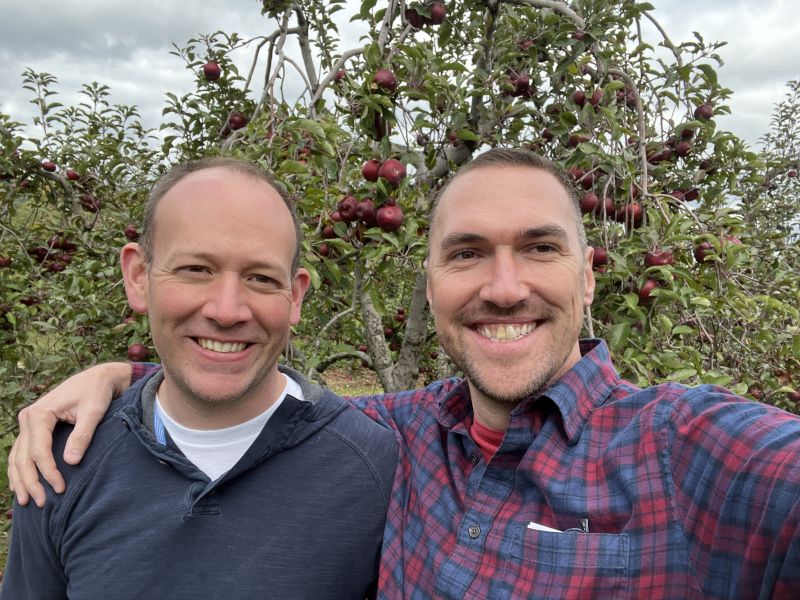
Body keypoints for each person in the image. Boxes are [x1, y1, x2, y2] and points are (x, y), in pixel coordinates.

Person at [9, 149, 800, 599]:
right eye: (465, 254)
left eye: (539, 247)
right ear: (430, 287)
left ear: (589, 278)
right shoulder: (393, 435)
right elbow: (249, 389)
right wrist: (123, 374)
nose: (502, 286)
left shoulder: (686, 447)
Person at [0, 157, 398, 600]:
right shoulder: (59, 462)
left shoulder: (375, 467)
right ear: (138, 276)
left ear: (295, 296)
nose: (227, 311)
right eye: (196, 269)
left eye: (261, 278)